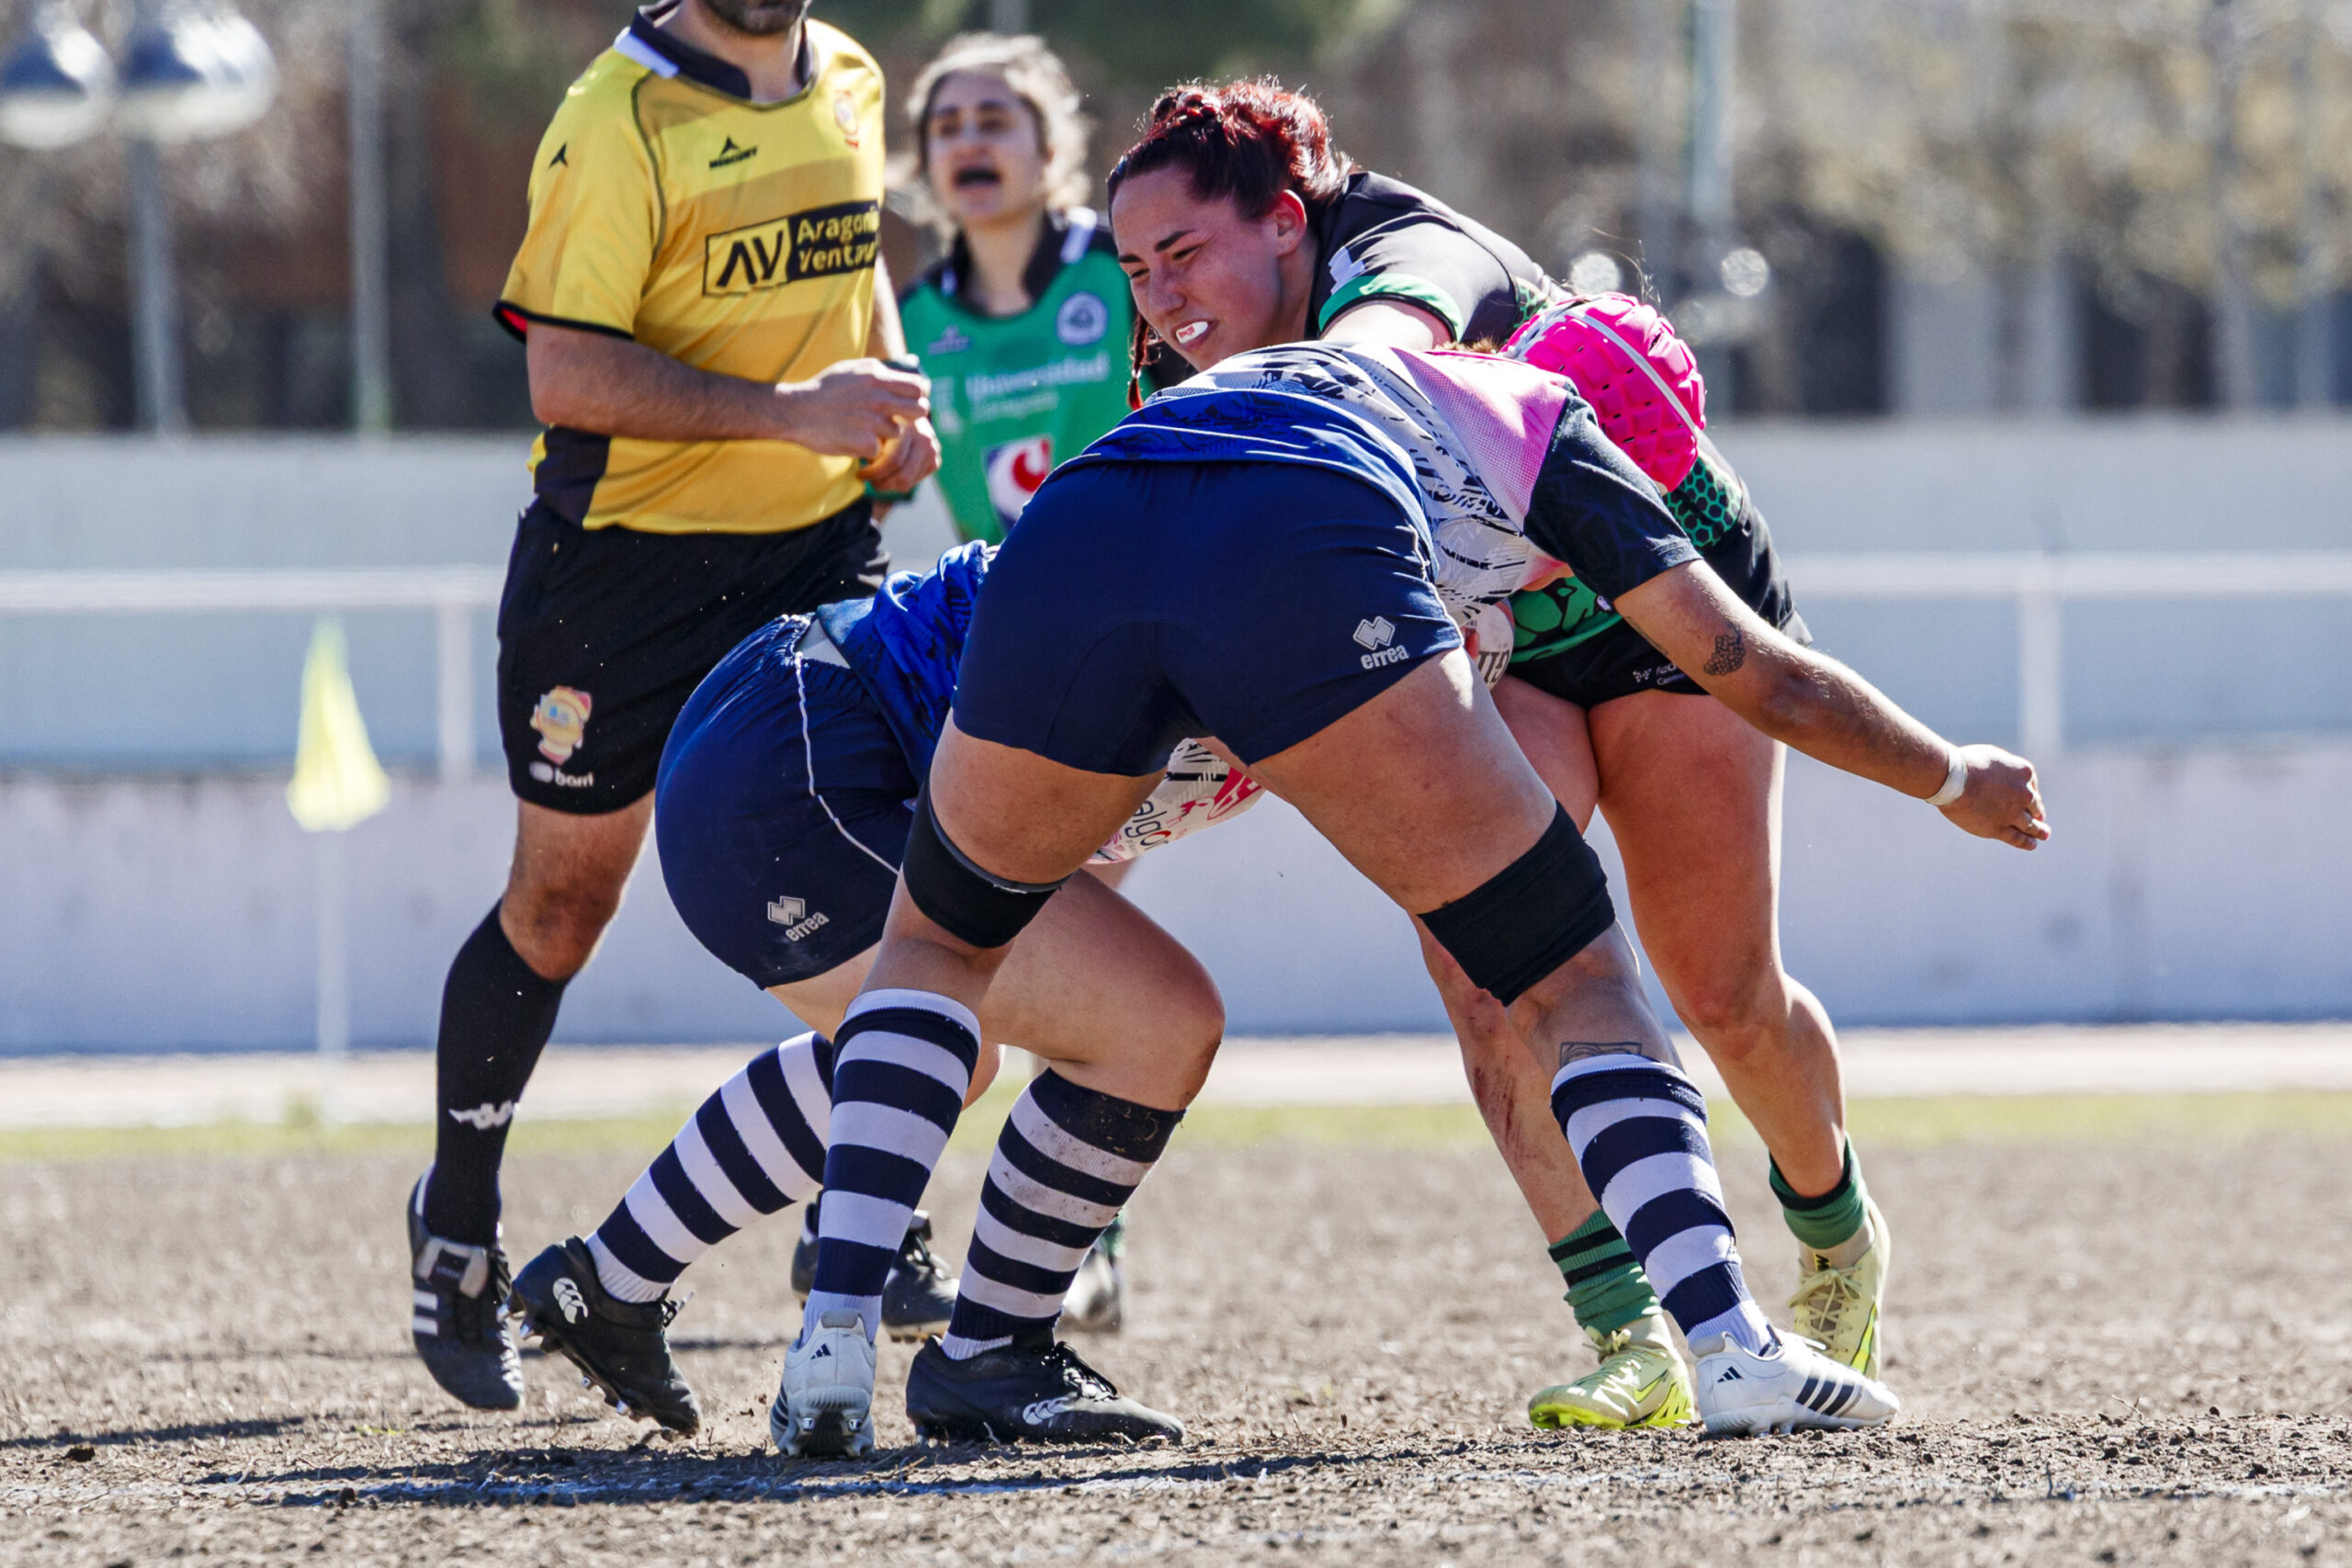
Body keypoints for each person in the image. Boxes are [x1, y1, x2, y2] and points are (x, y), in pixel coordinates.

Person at [775, 333, 2047, 1455]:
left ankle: (830, 1346)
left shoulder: (1371, 368)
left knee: (938, 943)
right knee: (1576, 976)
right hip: (1299, 525)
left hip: (1083, 514)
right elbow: (1752, 667)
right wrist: (1949, 777)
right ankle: (1728, 1343)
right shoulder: (1560, 422)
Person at [1105, 79, 1895, 1429]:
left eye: (1182, 255)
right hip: (1497, 625)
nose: (1161, 296)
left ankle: (1835, 1229)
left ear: (1287, 220)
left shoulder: (1406, 264)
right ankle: (1629, 1327)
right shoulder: (1186, 353)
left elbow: (1372, 362)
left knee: (1720, 988)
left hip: (1658, 591)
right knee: (1489, 964)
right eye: (1132, 269)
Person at [405, 0, 940, 1415]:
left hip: (817, 553)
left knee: (892, 875)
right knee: (563, 907)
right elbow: (567, 374)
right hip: (622, 579)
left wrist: (879, 396)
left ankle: (864, 1212)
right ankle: (458, 1221)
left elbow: (855, 262)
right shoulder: (615, 119)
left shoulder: (854, 80)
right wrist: (794, 410)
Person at [505, 543, 1260, 1439]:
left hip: (780, 736)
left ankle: (609, 1280)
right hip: (808, 750)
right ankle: (959, 1353)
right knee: (1150, 1025)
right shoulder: (1295, 594)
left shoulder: (1284, 570)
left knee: (959, 1049)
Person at [894, 34, 1138, 544]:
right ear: (925, 161)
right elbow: (864, 504)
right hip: (1002, 609)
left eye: (994, 122)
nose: (968, 144)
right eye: (946, 128)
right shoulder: (911, 321)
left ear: (1049, 146)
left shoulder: (1125, 266)